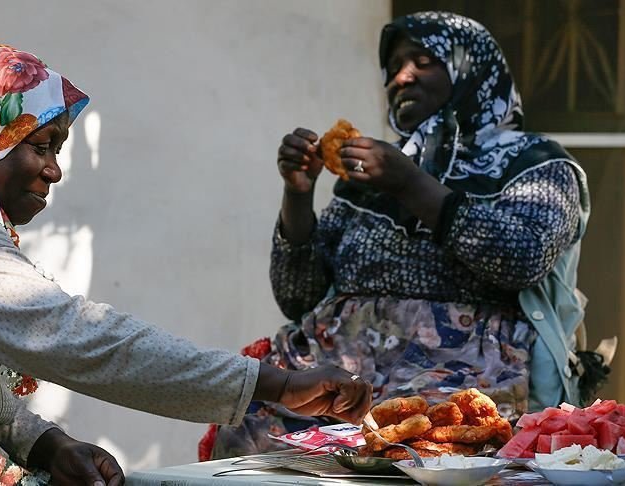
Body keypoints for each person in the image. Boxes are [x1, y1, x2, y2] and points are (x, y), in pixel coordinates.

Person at [0, 44, 373, 485]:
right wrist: (274, 384)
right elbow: (72, 337)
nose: (54, 170)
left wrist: (49, 444)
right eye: (41, 145)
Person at [208, 11, 591, 459]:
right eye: (392, 68)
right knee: (249, 427)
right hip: (334, 374)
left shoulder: (536, 163)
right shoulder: (370, 171)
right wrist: (298, 194)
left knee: (415, 451)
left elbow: (522, 259)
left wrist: (409, 184)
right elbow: (297, 297)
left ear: (470, 68)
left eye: (422, 61)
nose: (401, 77)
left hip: (460, 377)